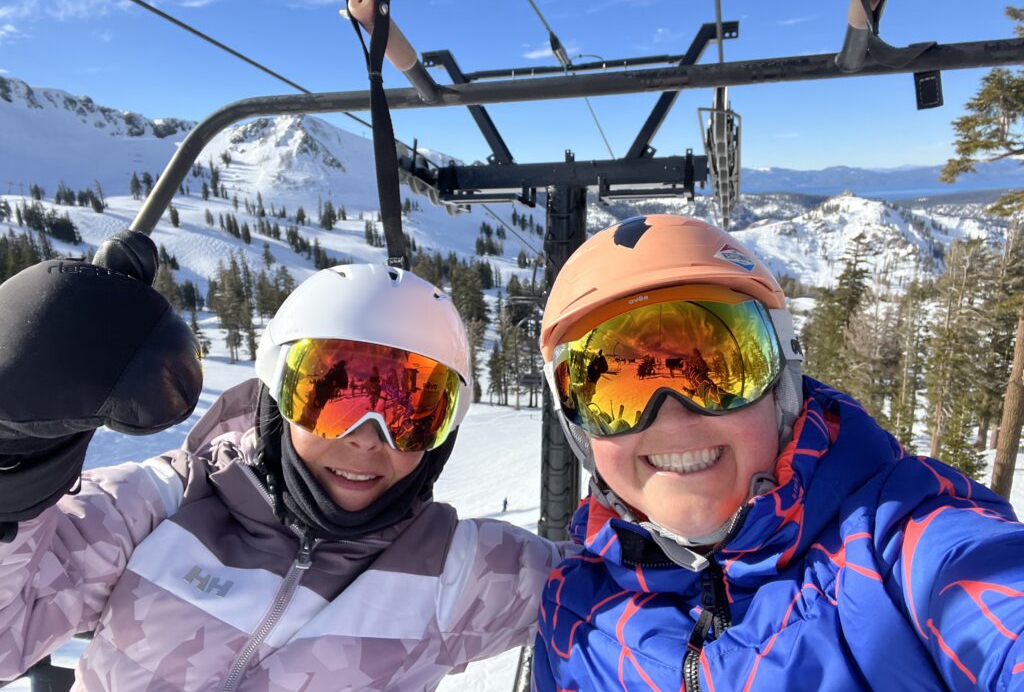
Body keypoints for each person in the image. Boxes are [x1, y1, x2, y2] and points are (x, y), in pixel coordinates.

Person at [0, 250, 568, 690]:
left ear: (442, 437)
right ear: (277, 398)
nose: (368, 437)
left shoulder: (457, 573)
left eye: (410, 413)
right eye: (332, 397)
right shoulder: (161, 505)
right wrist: (15, 464)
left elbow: (617, 592)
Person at [533, 214, 1024, 691]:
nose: (673, 420)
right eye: (616, 394)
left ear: (781, 388)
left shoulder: (894, 543)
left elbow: (991, 593)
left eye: (715, 374)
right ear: (579, 431)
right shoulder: (573, 614)